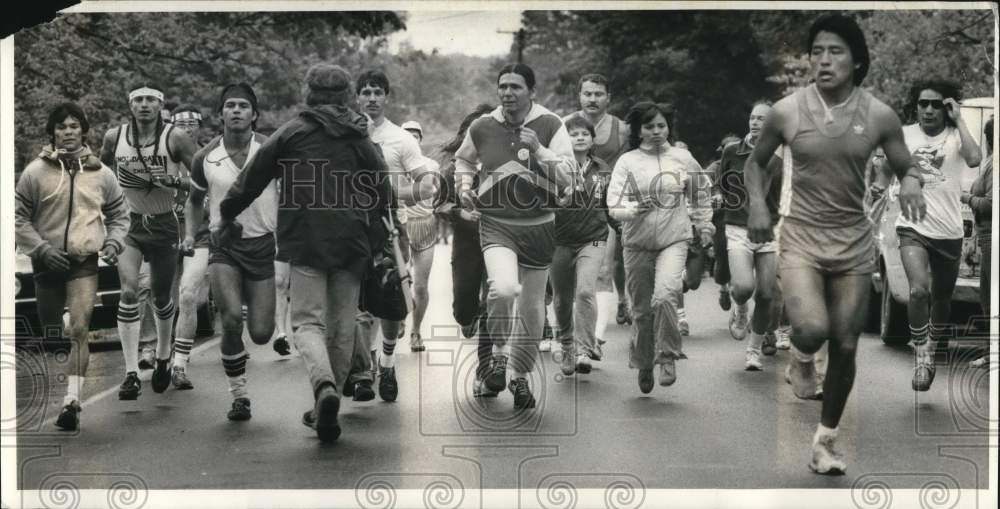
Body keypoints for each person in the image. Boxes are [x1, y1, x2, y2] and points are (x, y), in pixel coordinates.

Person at [744, 14, 925, 475]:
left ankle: (825, 442)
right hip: (801, 236)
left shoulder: (879, 115)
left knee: (846, 344)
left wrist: (913, 184)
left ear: (857, 60)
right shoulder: (787, 110)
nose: (823, 60)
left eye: (835, 51)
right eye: (817, 51)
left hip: (854, 242)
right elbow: (755, 164)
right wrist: (758, 207)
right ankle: (801, 357)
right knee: (811, 328)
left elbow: (908, 165)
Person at [218, 64, 391, 442]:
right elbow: (382, 188)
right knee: (343, 324)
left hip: (307, 239)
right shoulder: (359, 136)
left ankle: (323, 386)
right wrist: (373, 225)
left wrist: (227, 213)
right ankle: (327, 406)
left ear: (309, 92)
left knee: (308, 323)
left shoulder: (292, 132)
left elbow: (251, 180)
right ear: (347, 94)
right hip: (351, 241)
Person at [455, 63, 575, 409]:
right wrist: (463, 187)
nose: (507, 93)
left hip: (539, 224)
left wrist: (539, 149)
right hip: (495, 222)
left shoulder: (551, 124)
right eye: (503, 86)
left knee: (532, 308)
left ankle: (520, 378)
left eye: (516, 87)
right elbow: (464, 161)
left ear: (532, 92)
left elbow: (569, 179)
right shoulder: (482, 126)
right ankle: (497, 355)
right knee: (503, 288)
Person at [15, 103, 130, 430]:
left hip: (83, 261)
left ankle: (72, 401)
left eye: (74, 126)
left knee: (80, 328)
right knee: (53, 330)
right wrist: (40, 249)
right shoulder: (35, 173)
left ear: (83, 131)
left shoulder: (101, 174)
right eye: (62, 127)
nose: (68, 132)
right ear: (52, 132)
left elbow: (121, 214)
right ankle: (61, 327)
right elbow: (17, 217)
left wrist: (112, 242)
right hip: (46, 261)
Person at [184, 83, 278, 420]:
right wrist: (189, 235)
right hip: (223, 248)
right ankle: (239, 396)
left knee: (262, 333)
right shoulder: (205, 157)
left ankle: (262, 314)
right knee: (231, 320)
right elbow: (193, 202)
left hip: (264, 245)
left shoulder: (270, 150)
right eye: (230, 106)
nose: (236, 111)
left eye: (243, 106)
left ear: (254, 115)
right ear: (220, 113)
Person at [606, 101, 714, 394]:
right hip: (636, 243)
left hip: (673, 239)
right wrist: (632, 207)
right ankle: (643, 362)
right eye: (649, 126)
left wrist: (704, 226)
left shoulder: (683, 159)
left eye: (661, 126)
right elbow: (613, 202)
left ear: (668, 127)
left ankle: (667, 355)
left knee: (666, 295)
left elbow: (701, 195)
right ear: (638, 131)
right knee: (641, 310)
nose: (656, 131)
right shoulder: (627, 162)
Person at [100, 82, 199, 400]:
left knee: (160, 296)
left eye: (150, 100)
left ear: (160, 104)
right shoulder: (115, 137)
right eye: (138, 100)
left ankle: (163, 356)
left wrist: (174, 180)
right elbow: (100, 175)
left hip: (164, 224)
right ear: (130, 104)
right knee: (129, 290)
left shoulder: (175, 137)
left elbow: (202, 177)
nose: (144, 105)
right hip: (128, 225)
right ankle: (129, 373)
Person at [891, 80, 981, 391]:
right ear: (915, 106)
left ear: (947, 107)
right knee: (918, 291)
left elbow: (974, 159)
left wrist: (960, 121)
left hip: (949, 231)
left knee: (942, 297)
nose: (929, 109)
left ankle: (931, 345)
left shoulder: (957, 135)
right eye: (923, 103)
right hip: (912, 225)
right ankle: (921, 355)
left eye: (936, 104)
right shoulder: (904, 135)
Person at [356, 70, 438, 402]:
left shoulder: (400, 139)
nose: (371, 98)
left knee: (389, 308)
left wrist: (388, 193)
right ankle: (363, 372)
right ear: (357, 97)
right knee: (358, 307)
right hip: (353, 231)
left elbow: (427, 186)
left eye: (377, 92)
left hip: (390, 230)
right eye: (365, 92)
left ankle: (387, 364)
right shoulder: (346, 135)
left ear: (386, 97)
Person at [713, 100, 784, 370]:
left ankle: (753, 351)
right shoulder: (732, 151)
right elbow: (721, 186)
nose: (755, 123)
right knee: (743, 287)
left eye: (762, 119)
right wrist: (719, 198)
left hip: (769, 231)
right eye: (753, 118)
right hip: (737, 228)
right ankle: (740, 309)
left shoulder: (778, 160)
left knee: (767, 295)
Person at [563, 73, 631, 340]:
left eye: (598, 94)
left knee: (604, 269)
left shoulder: (622, 129)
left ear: (608, 98)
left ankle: (595, 337)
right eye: (587, 94)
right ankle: (568, 329)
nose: (592, 99)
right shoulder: (564, 125)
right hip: (569, 210)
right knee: (567, 279)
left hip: (606, 207)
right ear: (579, 96)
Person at [550, 115, 614, 376]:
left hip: (593, 237)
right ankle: (566, 343)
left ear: (592, 139)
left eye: (584, 134)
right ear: (565, 139)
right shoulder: (554, 167)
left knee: (586, 291)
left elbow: (612, 205)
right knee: (562, 299)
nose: (579, 138)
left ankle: (585, 349)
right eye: (573, 134)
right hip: (559, 240)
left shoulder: (604, 169)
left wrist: (623, 225)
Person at [167, 105, 215, 390]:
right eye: (179, 123)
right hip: (166, 231)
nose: (185, 128)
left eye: (191, 122)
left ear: (200, 126)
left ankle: (179, 365)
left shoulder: (210, 157)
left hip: (200, 233)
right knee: (163, 300)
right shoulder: (162, 156)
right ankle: (161, 351)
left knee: (188, 296)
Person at [964, 117, 991, 368]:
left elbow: (991, 204)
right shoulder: (989, 164)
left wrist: (968, 197)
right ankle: (989, 350)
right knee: (986, 297)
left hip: (992, 237)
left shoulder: (995, 166)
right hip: (984, 236)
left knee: (991, 297)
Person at [707, 134, 741, 313]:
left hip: (744, 220)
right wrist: (715, 196)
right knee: (723, 257)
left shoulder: (747, 164)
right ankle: (723, 288)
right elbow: (702, 189)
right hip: (721, 219)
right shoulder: (714, 168)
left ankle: (740, 305)